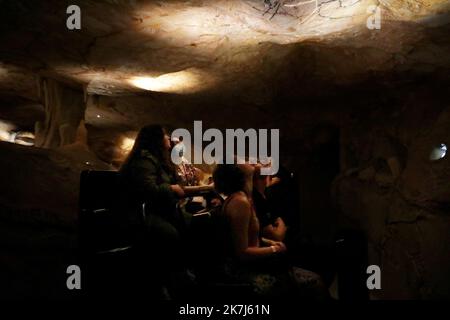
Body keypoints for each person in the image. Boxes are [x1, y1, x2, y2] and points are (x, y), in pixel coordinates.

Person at [213, 163, 329, 300]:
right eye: (239, 161)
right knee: (315, 281)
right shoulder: (240, 202)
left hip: (256, 262)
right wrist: (274, 249)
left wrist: (270, 243)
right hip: (247, 270)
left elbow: (252, 238)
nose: (246, 161)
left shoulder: (242, 197)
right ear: (238, 174)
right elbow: (242, 252)